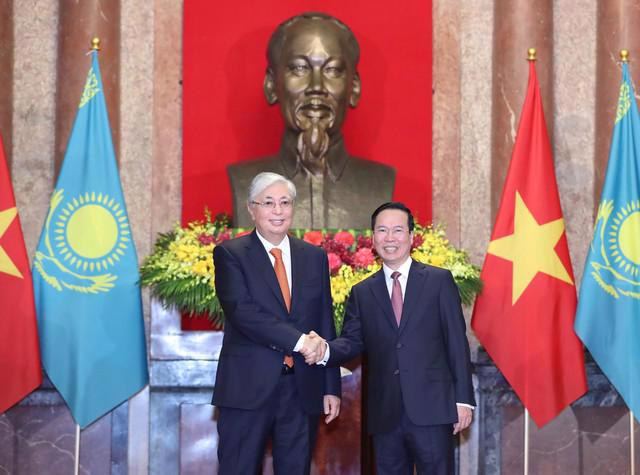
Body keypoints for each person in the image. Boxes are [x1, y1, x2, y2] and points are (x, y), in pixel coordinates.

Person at [303, 202, 475, 475]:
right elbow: (351, 341)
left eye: (397, 230)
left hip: (432, 409)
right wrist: (323, 349)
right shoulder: (362, 292)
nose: (390, 238)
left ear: (411, 236)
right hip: (385, 414)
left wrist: (463, 401)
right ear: (373, 238)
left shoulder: (438, 281)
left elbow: (456, 341)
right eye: (382, 231)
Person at [212, 172, 341, 474]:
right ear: (252, 209)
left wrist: (330, 386)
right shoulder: (231, 254)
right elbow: (243, 312)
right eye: (268, 203)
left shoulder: (314, 256)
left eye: (285, 202)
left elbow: (324, 318)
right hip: (247, 388)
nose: (278, 210)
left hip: (301, 388)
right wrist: (300, 342)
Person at [228, 12, 395, 230]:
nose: (316, 86)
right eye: (299, 68)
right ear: (271, 85)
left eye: (332, 70)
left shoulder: (380, 182)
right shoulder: (243, 181)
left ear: (353, 88)